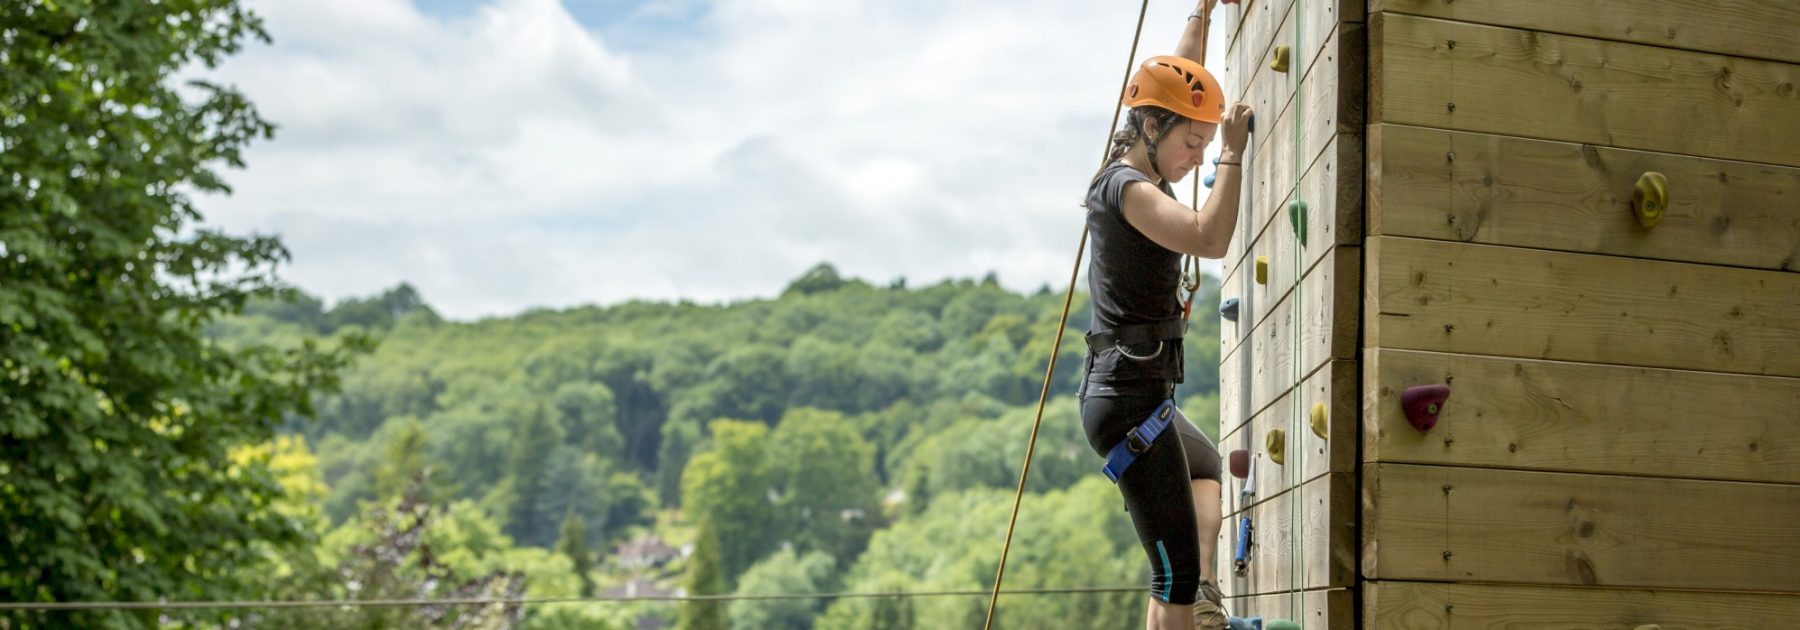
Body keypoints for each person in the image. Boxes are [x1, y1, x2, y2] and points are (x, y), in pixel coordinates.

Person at [1076, 2, 1252, 629]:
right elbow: (1209, 236)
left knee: (1204, 471)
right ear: (1151, 126)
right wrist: (1232, 154)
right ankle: (1190, 603)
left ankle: (1199, 599)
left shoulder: (1150, 161)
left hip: (1138, 393)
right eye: (1192, 144)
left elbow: (1185, 79)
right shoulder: (1127, 189)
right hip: (1126, 398)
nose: (1198, 156)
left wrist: (1200, 12)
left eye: (1205, 144)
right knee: (1171, 571)